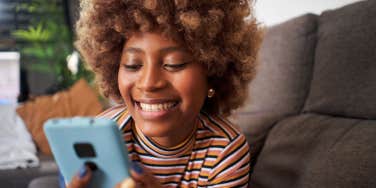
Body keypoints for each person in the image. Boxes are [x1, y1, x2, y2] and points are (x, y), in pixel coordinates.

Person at [69, 0, 262, 187]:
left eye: (174, 64)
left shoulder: (224, 150)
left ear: (213, 73)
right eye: (132, 65)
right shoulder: (105, 134)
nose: (149, 83)